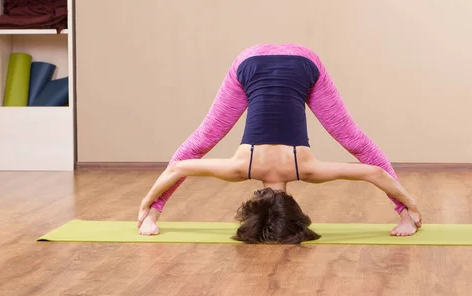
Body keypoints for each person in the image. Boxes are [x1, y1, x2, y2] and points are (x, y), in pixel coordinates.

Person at [137, 44, 422, 243]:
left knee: (354, 142)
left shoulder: (307, 171)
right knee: (200, 142)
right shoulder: (240, 169)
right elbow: (178, 168)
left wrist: (411, 204)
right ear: (255, 202)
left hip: (299, 63)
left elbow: (374, 174)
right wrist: (147, 203)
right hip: (252, 62)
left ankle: (408, 217)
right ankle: (150, 217)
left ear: (294, 207)